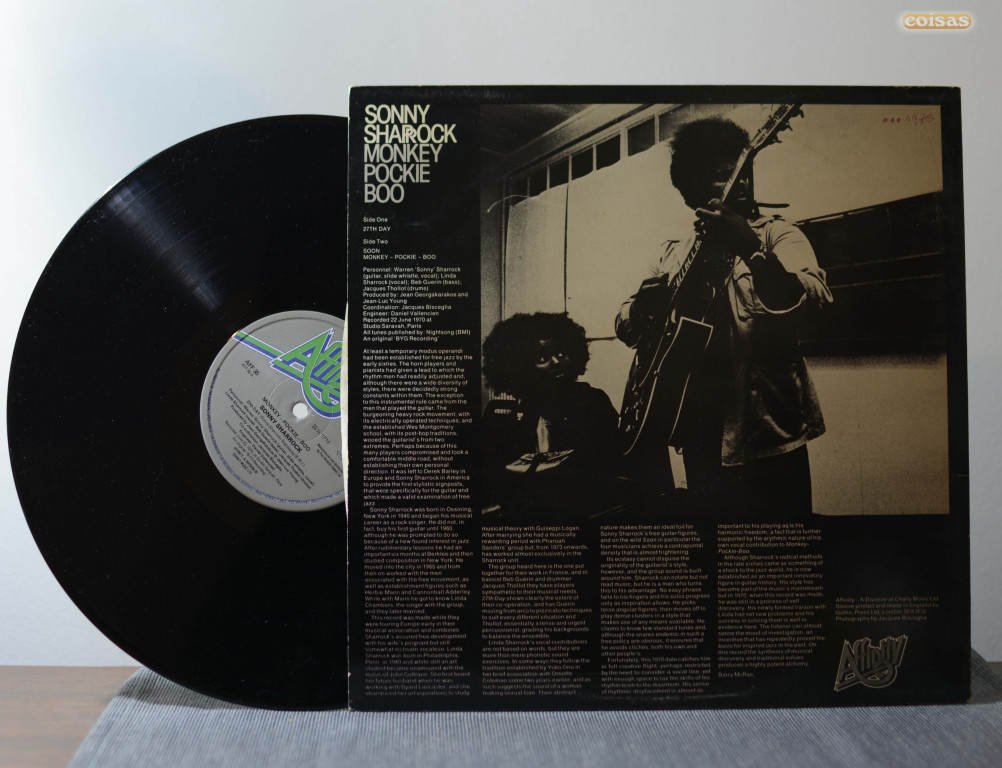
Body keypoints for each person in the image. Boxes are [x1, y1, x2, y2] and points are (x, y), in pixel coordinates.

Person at [615, 117, 832, 515]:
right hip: (696, 429)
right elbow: (626, 326)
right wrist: (641, 308)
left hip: (766, 432)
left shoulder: (777, 234)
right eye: (724, 175)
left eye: (744, 171)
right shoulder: (670, 253)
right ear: (692, 189)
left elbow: (813, 303)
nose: (742, 183)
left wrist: (751, 248)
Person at [481, 312, 623, 517]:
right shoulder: (503, 413)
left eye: (562, 353)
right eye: (542, 358)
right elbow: (491, 478)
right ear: (520, 369)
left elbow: (607, 470)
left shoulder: (593, 401)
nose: (557, 362)